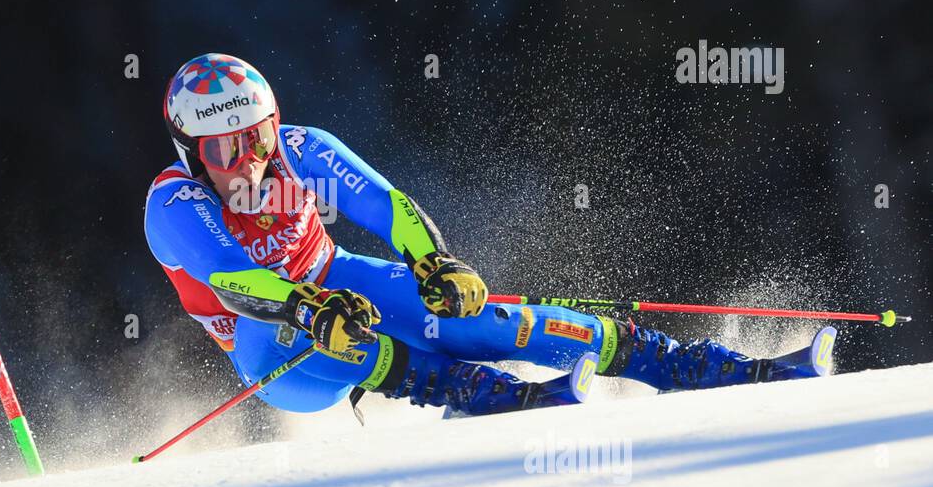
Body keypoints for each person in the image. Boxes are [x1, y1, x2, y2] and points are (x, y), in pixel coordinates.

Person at [143, 53, 831, 417]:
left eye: (257, 136)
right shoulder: (175, 203)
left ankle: (685, 365)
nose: (251, 160)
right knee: (325, 333)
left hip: (337, 280)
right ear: (188, 151)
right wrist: (303, 305)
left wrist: (433, 262)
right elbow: (231, 278)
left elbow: (387, 207)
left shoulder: (302, 149)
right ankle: (464, 391)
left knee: (483, 321)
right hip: (270, 349)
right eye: (226, 149)